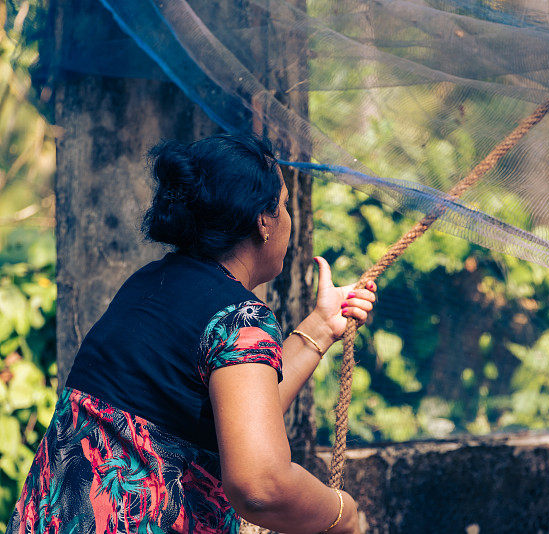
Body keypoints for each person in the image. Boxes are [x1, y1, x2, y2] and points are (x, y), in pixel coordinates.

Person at [5, 133, 374, 534]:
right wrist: (343, 514)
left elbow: (235, 420)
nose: (288, 219)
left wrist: (320, 326)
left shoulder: (148, 285)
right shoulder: (241, 317)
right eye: (284, 206)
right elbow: (261, 484)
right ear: (263, 221)